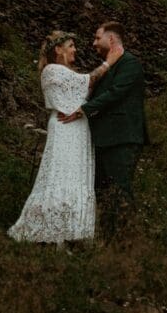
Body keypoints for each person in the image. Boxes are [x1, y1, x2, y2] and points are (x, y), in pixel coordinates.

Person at [8, 30, 118, 245]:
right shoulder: (52, 70)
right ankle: (51, 232)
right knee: (61, 173)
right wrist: (109, 62)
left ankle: (70, 233)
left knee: (75, 174)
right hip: (65, 128)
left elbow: (85, 87)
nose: (75, 49)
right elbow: (90, 80)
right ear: (58, 50)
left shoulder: (67, 73)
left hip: (77, 127)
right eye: (70, 45)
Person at [58, 21, 148, 238]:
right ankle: (109, 241)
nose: (93, 43)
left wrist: (84, 110)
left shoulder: (130, 63)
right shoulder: (108, 65)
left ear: (112, 39)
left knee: (120, 190)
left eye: (98, 38)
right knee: (103, 193)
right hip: (103, 140)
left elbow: (116, 92)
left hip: (122, 139)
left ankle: (130, 241)